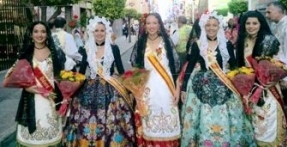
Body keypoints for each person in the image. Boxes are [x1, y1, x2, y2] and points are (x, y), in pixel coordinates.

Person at [180, 11, 256, 146]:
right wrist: (184, 88)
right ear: (203, 27)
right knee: (202, 118)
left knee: (228, 117)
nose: (211, 28)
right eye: (208, 25)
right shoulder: (197, 45)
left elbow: (233, 66)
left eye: (214, 25)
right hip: (201, 86)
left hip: (224, 86)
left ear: (219, 27)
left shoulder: (226, 44)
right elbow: (190, 67)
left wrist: (242, 84)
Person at [63, 16, 135, 146]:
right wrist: (71, 89)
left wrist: (131, 89)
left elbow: (121, 70)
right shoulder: (85, 49)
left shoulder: (114, 49)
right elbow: (81, 72)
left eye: (102, 30)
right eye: (96, 30)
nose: (99, 33)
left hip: (111, 89)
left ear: (106, 32)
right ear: (92, 32)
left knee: (112, 120)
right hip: (89, 89)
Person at [235, 10, 287, 146]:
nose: (251, 26)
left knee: (268, 121)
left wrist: (273, 78)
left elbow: (280, 63)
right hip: (248, 90)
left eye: (255, 23)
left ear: (261, 24)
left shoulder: (269, 41)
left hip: (267, 88)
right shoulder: (242, 41)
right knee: (252, 124)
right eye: (248, 23)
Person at [130, 13, 181, 146]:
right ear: (145, 26)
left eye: (154, 23)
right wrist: (136, 91)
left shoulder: (167, 42)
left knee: (167, 119)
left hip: (166, 88)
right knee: (148, 120)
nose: (151, 26)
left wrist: (177, 90)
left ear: (159, 25)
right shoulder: (140, 43)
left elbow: (175, 69)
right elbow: (136, 69)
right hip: (147, 89)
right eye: (148, 23)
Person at [14, 21, 65, 147]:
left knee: (51, 138)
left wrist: (64, 97)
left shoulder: (55, 53)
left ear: (47, 34)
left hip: (51, 101)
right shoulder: (25, 55)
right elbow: (20, 80)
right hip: (32, 100)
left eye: (43, 31)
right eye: (36, 31)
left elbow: (60, 77)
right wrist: (35, 89)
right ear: (31, 35)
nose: (39, 34)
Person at [266, 1, 287, 139]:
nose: (267, 15)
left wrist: (286, 78)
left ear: (280, 11)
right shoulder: (278, 25)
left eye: (270, 12)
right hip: (280, 71)